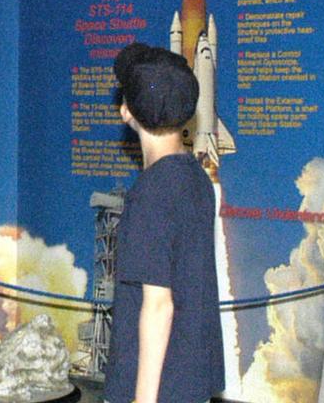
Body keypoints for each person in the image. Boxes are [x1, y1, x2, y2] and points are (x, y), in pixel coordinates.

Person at [105, 43, 224, 403]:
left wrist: (143, 399)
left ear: (127, 111)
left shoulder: (151, 191)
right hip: (190, 379)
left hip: (157, 386)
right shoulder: (196, 178)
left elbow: (159, 305)